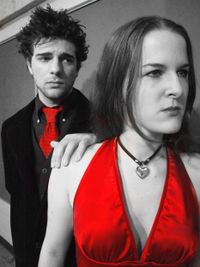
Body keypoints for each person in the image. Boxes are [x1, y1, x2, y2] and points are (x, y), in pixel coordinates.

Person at [38, 16, 200, 267]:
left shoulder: (195, 172)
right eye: (155, 72)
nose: (178, 88)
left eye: (183, 72)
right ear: (119, 82)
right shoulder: (73, 167)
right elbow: (52, 254)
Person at [1, 5, 96, 267]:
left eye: (66, 59)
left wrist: (98, 138)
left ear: (77, 67)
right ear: (29, 65)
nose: (55, 68)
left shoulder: (103, 124)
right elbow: (17, 193)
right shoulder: (10, 128)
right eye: (44, 58)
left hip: (80, 256)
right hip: (26, 251)